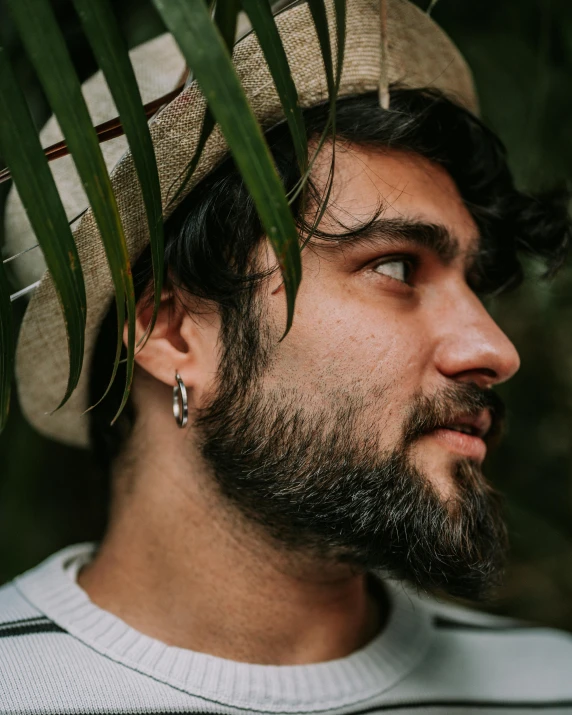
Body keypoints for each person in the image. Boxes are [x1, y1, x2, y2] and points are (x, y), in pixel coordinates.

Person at [2, 1, 572, 713]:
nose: (495, 348)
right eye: (396, 268)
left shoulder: (550, 688)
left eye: (473, 283)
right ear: (173, 333)